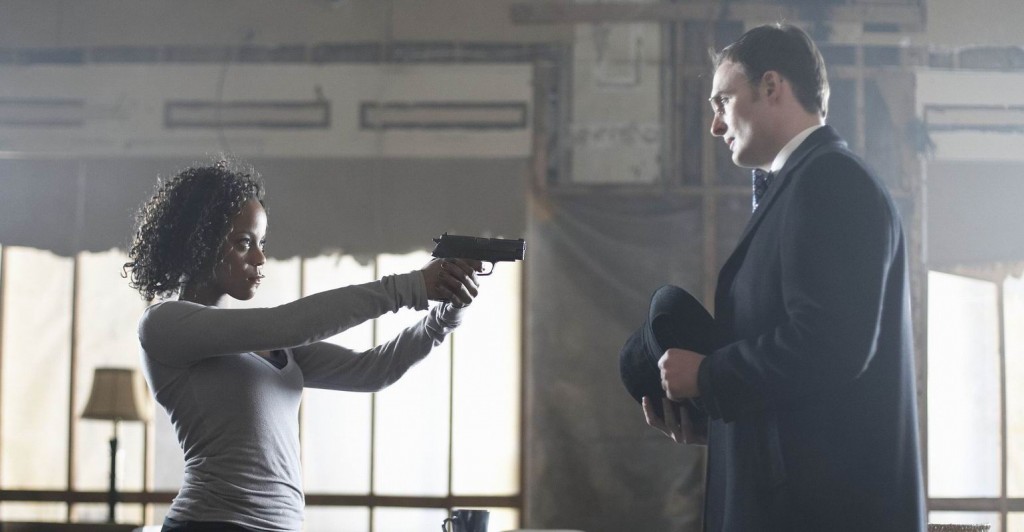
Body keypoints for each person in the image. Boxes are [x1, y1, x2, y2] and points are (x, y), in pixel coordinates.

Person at [642, 24, 926, 531]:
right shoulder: (803, 184)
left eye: (723, 101)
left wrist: (708, 377)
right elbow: (807, 375)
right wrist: (722, 419)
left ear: (771, 86)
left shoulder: (831, 182)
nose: (715, 126)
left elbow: (830, 344)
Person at [124, 161, 482, 532]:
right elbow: (288, 324)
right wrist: (411, 287)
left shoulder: (264, 339)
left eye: (261, 243)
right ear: (199, 243)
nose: (260, 258)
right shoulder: (164, 324)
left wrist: (445, 317)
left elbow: (372, 371)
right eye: (244, 243)